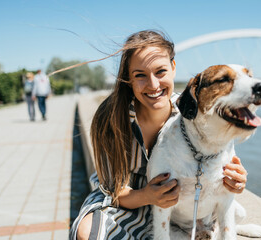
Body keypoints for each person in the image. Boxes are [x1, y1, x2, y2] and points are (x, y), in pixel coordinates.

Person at [70, 30, 248, 240]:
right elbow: (113, 191)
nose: (153, 85)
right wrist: (147, 195)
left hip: (174, 207)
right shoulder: (112, 119)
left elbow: (219, 156)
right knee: (87, 233)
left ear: (173, 68)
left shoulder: (191, 111)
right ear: (129, 78)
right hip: (126, 199)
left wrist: (235, 178)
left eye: (160, 71)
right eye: (140, 75)